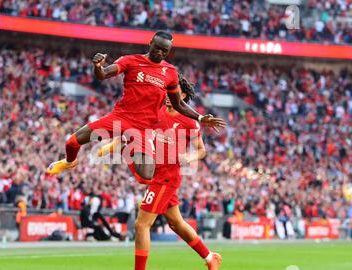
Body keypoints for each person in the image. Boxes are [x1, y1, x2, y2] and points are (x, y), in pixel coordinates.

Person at [46, 30, 226, 181]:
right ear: (150, 44)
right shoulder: (130, 61)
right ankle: (69, 162)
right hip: (120, 118)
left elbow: (178, 104)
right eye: (158, 48)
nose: (161, 53)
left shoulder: (170, 72)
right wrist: (98, 67)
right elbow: (103, 75)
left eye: (165, 51)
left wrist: (201, 118)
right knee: (71, 142)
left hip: (143, 128)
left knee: (147, 175)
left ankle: (124, 145)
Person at [101, 75, 222, 270]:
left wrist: (190, 157)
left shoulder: (189, 122)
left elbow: (202, 150)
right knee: (176, 223)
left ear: (182, 96)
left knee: (141, 224)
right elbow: (138, 129)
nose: (167, 96)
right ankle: (209, 257)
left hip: (167, 177)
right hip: (155, 173)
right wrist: (117, 141)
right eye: (166, 92)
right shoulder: (154, 111)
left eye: (173, 93)